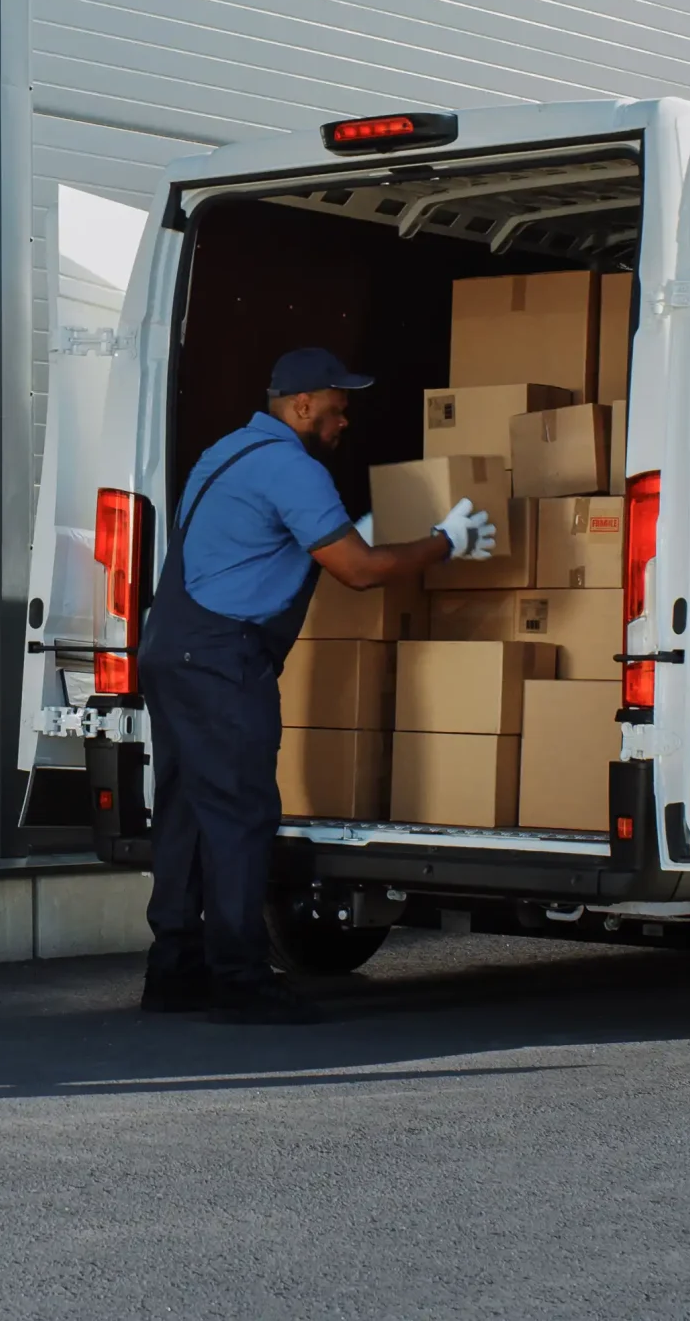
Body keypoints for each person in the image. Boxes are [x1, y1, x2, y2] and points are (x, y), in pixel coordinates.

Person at [139, 346, 497, 1025]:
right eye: (337, 408)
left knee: (186, 814)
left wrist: (352, 532)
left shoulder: (227, 452)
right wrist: (444, 542)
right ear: (302, 404)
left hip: (172, 650)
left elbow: (258, 546)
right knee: (241, 818)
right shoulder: (292, 467)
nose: (344, 422)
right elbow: (357, 572)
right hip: (222, 660)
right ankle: (242, 982)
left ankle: (174, 972)